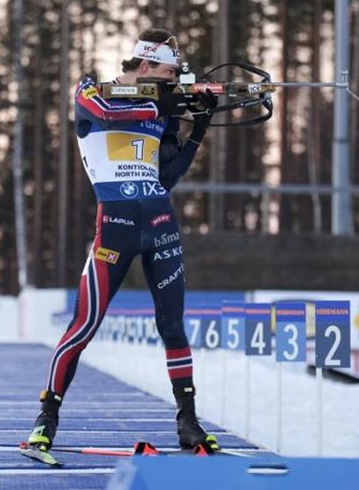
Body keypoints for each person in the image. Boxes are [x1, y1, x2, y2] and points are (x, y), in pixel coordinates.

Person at [26, 29, 218, 456]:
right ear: (145, 66)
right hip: (114, 225)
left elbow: (167, 175)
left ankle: (188, 421)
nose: (172, 84)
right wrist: (156, 104)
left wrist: (198, 126)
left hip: (161, 220)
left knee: (172, 325)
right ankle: (46, 420)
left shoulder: (162, 111)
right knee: (84, 324)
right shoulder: (94, 91)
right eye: (169, 75)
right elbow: (106, 114)